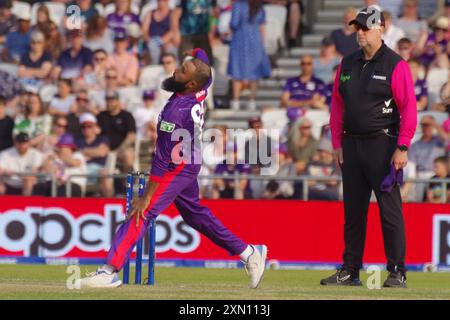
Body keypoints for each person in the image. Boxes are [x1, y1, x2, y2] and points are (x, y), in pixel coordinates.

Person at [77, 48, 268, 289]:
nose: (175, 70)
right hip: (190, 160)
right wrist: (197, 52)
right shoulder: (201, 85)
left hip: (177, 166)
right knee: (194, 215)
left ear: (189, 84)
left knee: (141, 212)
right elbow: (204, 64)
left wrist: (144, 197)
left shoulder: (175, 113)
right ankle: (249, 253)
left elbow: (160, 161)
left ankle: (109, 271)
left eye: (182, 70)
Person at [323, 7, 417, 288]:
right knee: (352, 212)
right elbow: (337, 107)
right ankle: (350, 270)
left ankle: (397, 270)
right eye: (357, 28)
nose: (360, 33)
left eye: (365, 27)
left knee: (389, 211)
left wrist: (402, 146)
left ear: (381, 28)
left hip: (383, 144)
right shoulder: (347, 63)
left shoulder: (395, 64)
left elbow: (409, 109)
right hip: (351, 145)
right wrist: (337, 143)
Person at [227, 0, 271, 111]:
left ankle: (236, 100)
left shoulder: (238, 5)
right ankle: (252, 101)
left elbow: (234, 23)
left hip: (240, 39)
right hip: (256, 40)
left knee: (237, 71)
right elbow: (262, 25)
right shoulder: (259, 5)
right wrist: (263, 44)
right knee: (254, 73)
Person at [97, 90, 136, 173]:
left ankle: (128, 182)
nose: (109, 103)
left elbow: (131, 136)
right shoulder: (101, 116)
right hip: (104, 150)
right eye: (107, 100)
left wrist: (117, 151)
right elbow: (95, 133)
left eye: (112, 100)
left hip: (121, 149)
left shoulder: (126, 115)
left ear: (118, 101)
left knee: (128, 154)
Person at [281, 55, 327, 120]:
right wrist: (306, 102)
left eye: (308, 64)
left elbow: (316, 101)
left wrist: (294, 102)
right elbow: (285, 101)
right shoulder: (290, 81)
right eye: (303, 63)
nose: (305, 66)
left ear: (313, 65)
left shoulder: (318, 82)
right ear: (300, 65)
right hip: (291, 112)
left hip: (310, 113)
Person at [75, 113, 111, 197]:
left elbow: (102, 152)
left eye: (89, 126)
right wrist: (94, 152)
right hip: (81, 169)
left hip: (97, 169)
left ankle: (110, 200)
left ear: (95, 127)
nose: (86, 129)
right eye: (83, 126)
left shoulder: (102, 139)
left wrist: (83, 151)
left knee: (104, 173)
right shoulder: (77, 141)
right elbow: (74, 154)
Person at [142, 0, 177, 64]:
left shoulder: (172, 13)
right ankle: (154, 67)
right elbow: (144, 30)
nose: (161, 2)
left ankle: (172, 70)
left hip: (167, 41)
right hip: (152, 41)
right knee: (152, 47)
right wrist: (149, 40)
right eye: (159, 0)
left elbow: (174, 30)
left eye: (164, 0)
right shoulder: (150, 13)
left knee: (170, 48)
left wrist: (162, 41)